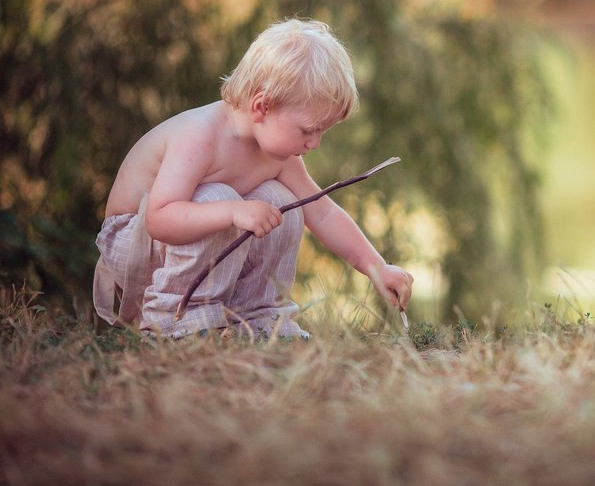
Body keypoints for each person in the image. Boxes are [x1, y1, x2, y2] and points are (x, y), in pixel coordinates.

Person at [93, 18, 412, 338]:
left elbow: (324, 213)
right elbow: (159, 219)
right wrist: (232, 211)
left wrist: (377, 267)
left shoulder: (280, 157)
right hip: (133, 243)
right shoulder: (200, 137)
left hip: (179, 246)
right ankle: (175, 319)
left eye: (322, 132)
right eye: (308, 130)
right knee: (220, 200)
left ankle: (258, 317)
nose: (315, 143)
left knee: (283, 202)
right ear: (262, 107)